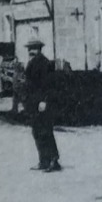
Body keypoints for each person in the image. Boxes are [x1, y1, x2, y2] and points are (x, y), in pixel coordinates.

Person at [23, 38, 61, 172]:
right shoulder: (32, 63)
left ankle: (53, 160)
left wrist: (44, 101)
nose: (30, 51)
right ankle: (43, 160)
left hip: (42, 103)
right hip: (34, 103)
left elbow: (48, 85)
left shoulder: (44, 63)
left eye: (33, 49)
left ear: (39, 49)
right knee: (37, 132)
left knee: (46, 131)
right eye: (29, 49)